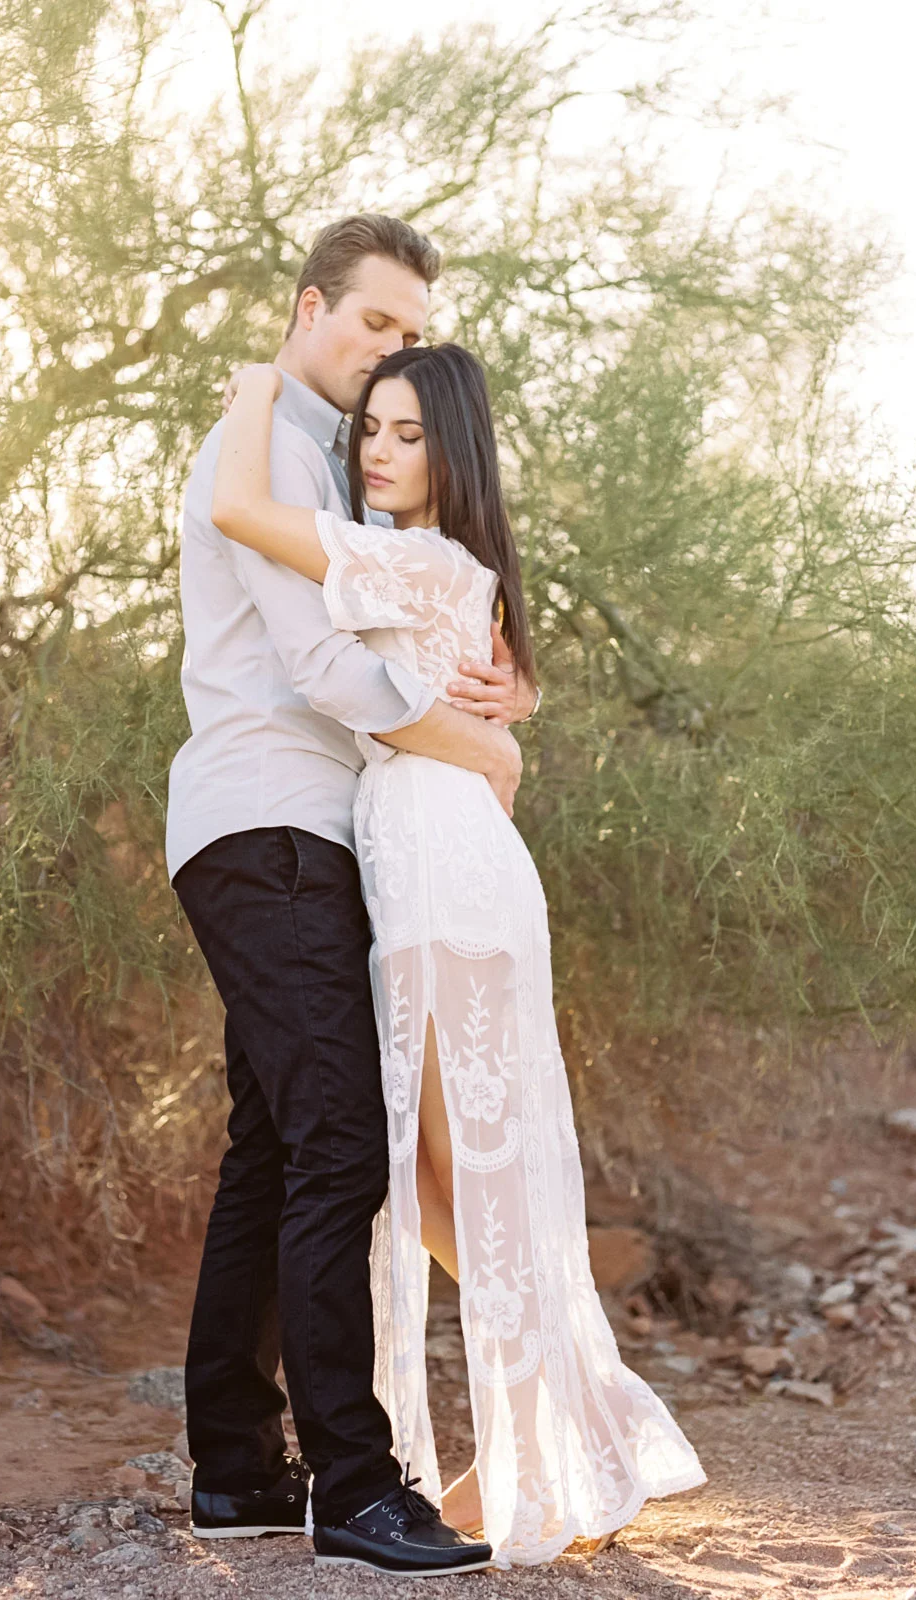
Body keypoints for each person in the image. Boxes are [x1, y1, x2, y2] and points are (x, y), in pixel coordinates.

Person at [210, 342, 707, 1568]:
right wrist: (510, 723)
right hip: (437, 865)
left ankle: (565, 1434)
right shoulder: (449, 566)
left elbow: (233, 508)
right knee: (443, 1186)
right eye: (369, 432)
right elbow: (489, 690)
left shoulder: (417, 559)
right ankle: (572, 1413)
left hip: (444, 879)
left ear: (455, 452)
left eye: (407, 436)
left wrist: (250, 392)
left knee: (464, 1184)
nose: (377, 453)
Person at [166, 215, 538, 1579]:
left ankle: (235, 1471)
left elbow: (430, 606)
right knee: (341, 1145)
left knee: (272, 1145)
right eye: (376, 323)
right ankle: (355, 1485)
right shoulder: (262, 443)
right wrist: (474, 739)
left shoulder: (324, 452)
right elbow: (329, 672)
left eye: (411, 336)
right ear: (313, 305)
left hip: (302, 831)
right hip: (269, 822)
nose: (394, 348)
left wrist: (498, 688)